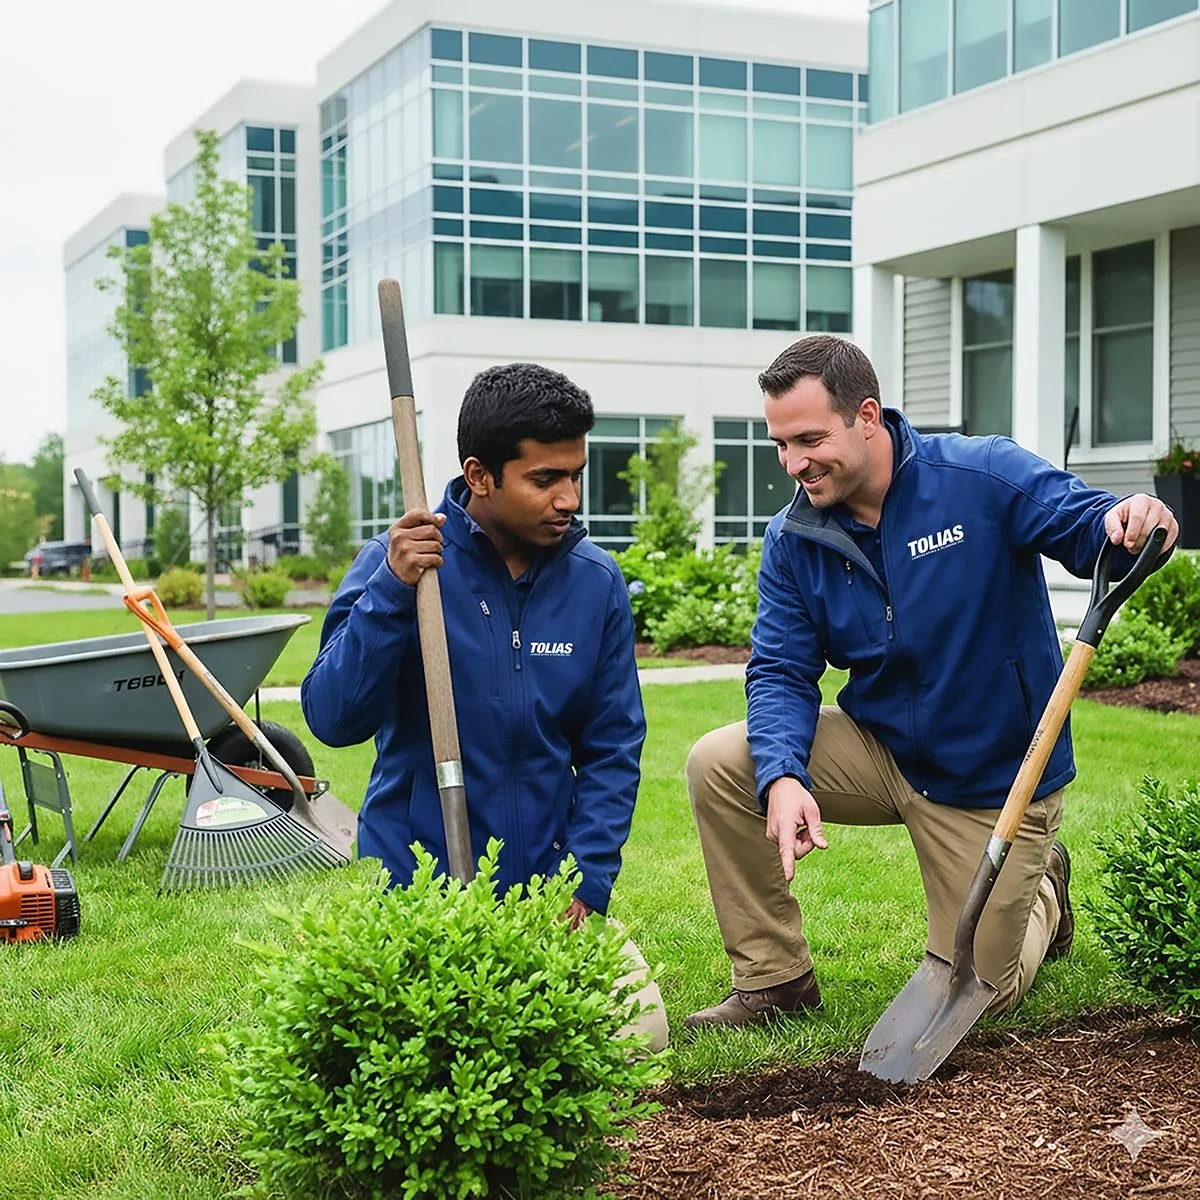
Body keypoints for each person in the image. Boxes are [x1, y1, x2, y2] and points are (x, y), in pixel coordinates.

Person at [684, 334, 1178, 1030]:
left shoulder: (979, 476)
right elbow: (780, 669)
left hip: (992, 776)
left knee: (983, 996)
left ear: (866, 415)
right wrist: (783, 774)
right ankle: (775, 981)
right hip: (882, 751)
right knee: (721, 762)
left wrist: (1128, 520)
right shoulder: (794, 537)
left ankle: (1042, 896)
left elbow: (1082, 524)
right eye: (780, 445)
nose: (794, 463)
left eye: (809, 438)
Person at [302, 362, 666, 1050]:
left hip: (549, 899)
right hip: (421, 893)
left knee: (637, 1049)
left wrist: (584, 884)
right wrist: (391, 590)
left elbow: (613, 749)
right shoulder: (401, 564)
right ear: (479, 476)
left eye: (575, 475)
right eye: (544, 480)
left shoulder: (595, 582)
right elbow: (332, 717)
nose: (569, 499)